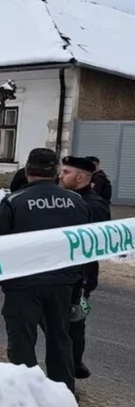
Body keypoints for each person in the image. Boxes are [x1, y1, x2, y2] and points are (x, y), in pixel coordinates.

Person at [0, 148, 91, 394]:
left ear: (27, 171)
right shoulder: (77, 202)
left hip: (22, 286)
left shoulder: (14, 202)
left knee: (22, 341)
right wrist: (79, 284)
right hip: (63, 284)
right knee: (60, 338)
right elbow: (85, 246)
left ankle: (27, 396)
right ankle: (63, 397)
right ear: (56, 172)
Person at [59, 156, 112, 380]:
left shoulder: (94, 205)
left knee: (73, 325)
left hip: (80, 276)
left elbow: (96, 244)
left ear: (81, 177)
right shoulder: (65, 199)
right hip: (63, 272)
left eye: (66, 172)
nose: (60, 176)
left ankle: (72, 367)